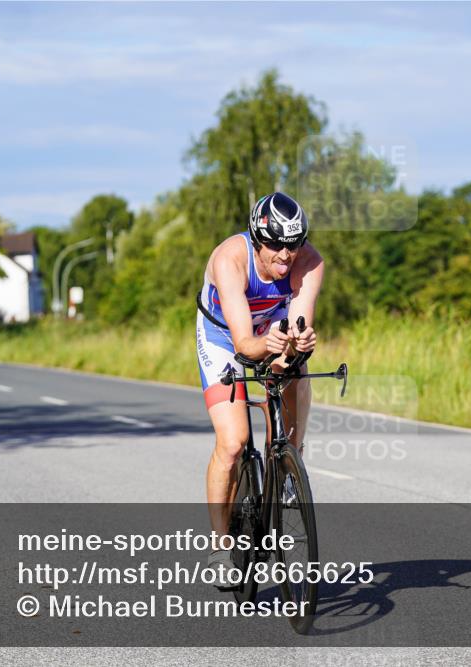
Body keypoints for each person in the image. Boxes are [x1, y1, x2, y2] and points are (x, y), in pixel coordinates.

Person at [196, 192, 324, 587]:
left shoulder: (308, 261)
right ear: (256, 239)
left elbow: (298, 323)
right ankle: (220, 545)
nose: (286, 256)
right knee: (233, 443)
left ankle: (286, 461)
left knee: (295, 372)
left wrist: (297, 344)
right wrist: (267, 344)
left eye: (294, 244)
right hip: (224, 337)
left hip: (272, 327)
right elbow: (244, 345)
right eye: (276, 246)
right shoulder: (230, 259)